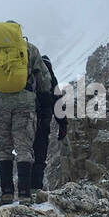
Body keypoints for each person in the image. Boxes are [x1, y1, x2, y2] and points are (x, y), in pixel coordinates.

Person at [0, 23, 52, 205]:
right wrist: (46, 104)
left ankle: (6, 194)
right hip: (25, 104)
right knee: (25, 149)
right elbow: (44, 79)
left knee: (3, 149)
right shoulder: (29, 49)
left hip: (0, 105)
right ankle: (24, 195)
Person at [31, 55, 68, 197]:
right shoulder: (50, 77)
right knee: (39, 155)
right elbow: (58, 103)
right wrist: (63, 124)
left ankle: (21, 192)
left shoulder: (28, 75)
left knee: (26, 154)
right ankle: (35, 190)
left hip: (25, 120)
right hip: (43, 120)